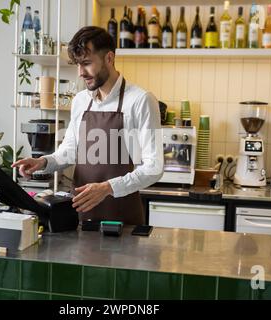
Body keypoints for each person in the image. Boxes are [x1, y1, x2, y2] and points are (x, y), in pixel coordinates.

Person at [12, 26, 163, 225]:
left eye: (86, 63)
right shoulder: (81, 100)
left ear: (109, 58)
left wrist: (107, 188)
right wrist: (43, 162)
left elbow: (154, 167)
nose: (81, 73)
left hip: (122, 217)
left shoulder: (140, 100)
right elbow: (70, 151)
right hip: (81, 215)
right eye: (77, 64)